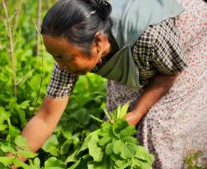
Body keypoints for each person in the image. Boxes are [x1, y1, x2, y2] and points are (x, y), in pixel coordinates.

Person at [15, 0, 207, 168]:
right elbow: (45, 118)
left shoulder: (148, 35)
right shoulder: (69, 52)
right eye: (54, 56)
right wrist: (7, 163)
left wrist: (137, 113)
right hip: (135, 46)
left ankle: (191, 161)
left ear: (98, 42)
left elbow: (169, 74)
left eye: (63, 57)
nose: (60, 65)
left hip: (186, 32)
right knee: (118, 125)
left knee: (157, 126)